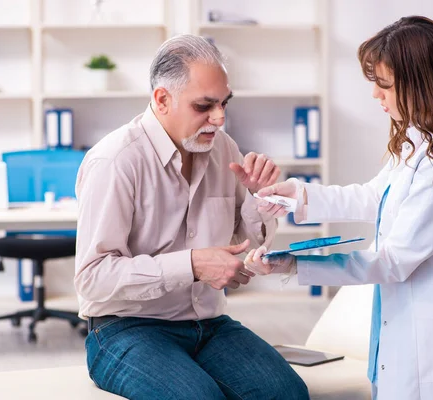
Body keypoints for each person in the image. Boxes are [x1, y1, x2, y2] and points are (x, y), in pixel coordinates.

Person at [245, 16, 433, 400]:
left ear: (421, 85)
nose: (375, 96)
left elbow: (393, 259)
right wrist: (298, 195)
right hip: (411, 320)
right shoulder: (421, 139)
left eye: (384, 85)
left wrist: (298, 263)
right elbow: (373, 197)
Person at [74, 34, 309, 399]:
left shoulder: (222, 148)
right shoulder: (116, 161)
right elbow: (92, 278)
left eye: (223, 103)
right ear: (162, 99)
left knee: (288, 393)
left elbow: (252, 246)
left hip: (209, 325)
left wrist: (256, 197)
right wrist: (193, 265)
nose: (219, 118)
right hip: (125, 328)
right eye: (204, 106)